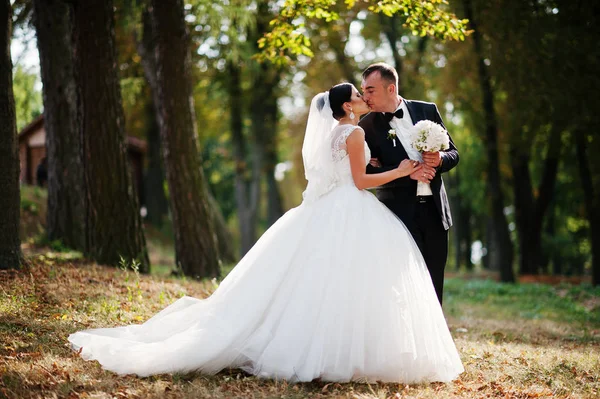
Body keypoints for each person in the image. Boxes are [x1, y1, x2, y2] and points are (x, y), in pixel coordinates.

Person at [68, 83, 463, 383]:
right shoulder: (355, 133)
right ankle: (343, 352)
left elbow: (344, 172)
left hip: (328, 208)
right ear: (347, 106)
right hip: (352, 206)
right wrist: (401, 170)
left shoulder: (334, 135)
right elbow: (360, 181)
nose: (364, 98)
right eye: (359, 95)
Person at [359, 63, 459, 305]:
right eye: (363, 90)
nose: (365, 96)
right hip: (397, 214)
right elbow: (366, 173)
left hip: (435, 210)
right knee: (404, 280)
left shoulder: (428, 110)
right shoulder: (366, 127)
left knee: (435, 276)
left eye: (370, 90)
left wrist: (440, 159)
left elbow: (454, 154)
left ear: (390, 88)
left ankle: (434, 339)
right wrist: (405, 174)